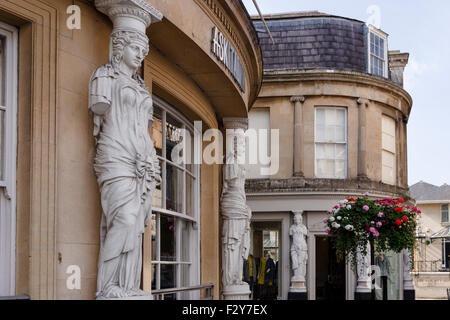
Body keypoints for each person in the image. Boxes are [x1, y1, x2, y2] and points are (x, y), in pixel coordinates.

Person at [90, 29, 161, 299]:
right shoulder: (104, 77)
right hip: (116, 156)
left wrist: (152, 160)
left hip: (142, 163)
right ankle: (107, 287)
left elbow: (145, 131)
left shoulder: (142, 87)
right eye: (136, 48)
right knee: (124, 219)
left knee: (136, 225)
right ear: (119, 47)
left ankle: (128, 285)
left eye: (144, 51)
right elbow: (103, 113)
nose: (141, 55)